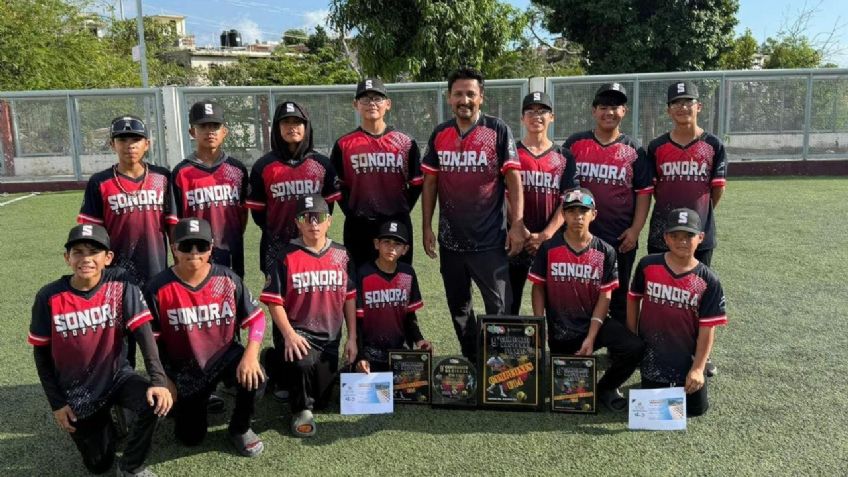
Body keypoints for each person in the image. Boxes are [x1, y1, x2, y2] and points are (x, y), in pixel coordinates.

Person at [29, 224, 172, 477]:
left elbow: (144, 334)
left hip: (118, 377)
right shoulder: (49, 297)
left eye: (94, 252)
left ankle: (131, 466)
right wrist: (58, 403)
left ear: (108, 258)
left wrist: (158, 380)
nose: (86, 258)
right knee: (99, 465)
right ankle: (107, 419)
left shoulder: (120, 284)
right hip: (78, 390)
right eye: (78, 252)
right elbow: (41, 353)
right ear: (67, 258)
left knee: (155, 402)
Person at [421, 66, 527, 361]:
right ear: (448, 97)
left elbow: (513, 179)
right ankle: (472, 359)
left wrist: (517, 224)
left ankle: (501, 364)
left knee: (499, 307)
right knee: (459, 308)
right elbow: (430, 182)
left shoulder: (497, 129)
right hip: (451, 241)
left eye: (470, 93)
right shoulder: (440, 133)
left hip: (489, 240)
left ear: (481, 97)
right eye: (458, 94)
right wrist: (426, 226)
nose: (463, 99)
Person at [144, 218, 266, 457]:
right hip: (184, 369)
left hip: (224, 358)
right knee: (190, 438)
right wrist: (163, 377)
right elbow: (150, 342)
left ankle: (239, 428)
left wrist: (251, 355)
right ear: (173, 247)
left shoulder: (227, 279)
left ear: (211, 247)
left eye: (201, 246)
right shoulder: (157, 288)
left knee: (256, 378)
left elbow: (257, 319)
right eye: (186, 246)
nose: (194, 253)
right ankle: (192, 403)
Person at [528, 188, 643, 412]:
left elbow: (605, 296)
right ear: (564, 214)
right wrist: (539, 323)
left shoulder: (605, 251)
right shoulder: (550, 248)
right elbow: (538, 287)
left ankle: (603, 388)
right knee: (563, 381)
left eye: (583, 211)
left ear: (594, 215)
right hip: (561, 331)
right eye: (571, 211)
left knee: (634, 347)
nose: (578, 217)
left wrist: (591, 337)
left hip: (594, 325)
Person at [78, 115, 177, 368]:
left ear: (148, 144)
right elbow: (90, 233)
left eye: (136, 139)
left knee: (163, 332)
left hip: (156, 268)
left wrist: (178, 270)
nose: (129, 145)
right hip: (115, 273)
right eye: (122, 139)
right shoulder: (100, 182)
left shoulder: (162, 177)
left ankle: (171, 383)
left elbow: (173, 228)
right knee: (121, 336)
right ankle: (124, 389)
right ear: (112, 145)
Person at [259, 194, 357, 437]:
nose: (313, 223)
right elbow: (274, 302)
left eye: (319, 217)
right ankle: (300, 410)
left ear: (329, 222)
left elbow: (349, 297)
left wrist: (352, 337)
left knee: (323, 399)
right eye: (307, 217)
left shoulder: (342, 255)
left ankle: (272, 361)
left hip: (330, 338)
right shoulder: (285, 255)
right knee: (302, 368)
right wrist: (289, 335)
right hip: (299, 334)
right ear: (298, 222)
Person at [647, 81, 727, 376]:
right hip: (661, 233)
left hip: (699, 235)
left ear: (698, 106)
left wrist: (698, 219)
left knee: (696, 298)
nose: (682, 107)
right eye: (676, 103)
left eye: (688, 101)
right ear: (668, 110)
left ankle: (699, 357)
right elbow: (653, 190)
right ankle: (659, 351)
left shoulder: (713, 145)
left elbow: (716, 191)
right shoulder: (656, 147)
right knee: (661, 298)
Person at [564, 83, 653, 324]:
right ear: (593, 111)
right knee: (578, 291)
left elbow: (644, 193)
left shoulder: (633, 149)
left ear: (624, 111)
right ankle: (576, 346)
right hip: (580, 234)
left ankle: (618, 348)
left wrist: (635, 230)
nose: (609, 112)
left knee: (618, 293)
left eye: (615, 107)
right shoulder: (575, 143)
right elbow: (562, 187)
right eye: (603, 107)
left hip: (619, 237)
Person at [627, 208, 727, 417]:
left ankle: (692, 374)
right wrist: (632, 337)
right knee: (656, 409)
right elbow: (633, 298)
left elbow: (708, 327)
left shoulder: (708, 280)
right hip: (652, 357)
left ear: (700, 237)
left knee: (695, 410)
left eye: (689, 235)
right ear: (665, 238)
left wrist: (699, 368)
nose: (682, 241)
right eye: (675, 236)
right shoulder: (648, 265)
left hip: (686, 359)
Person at [331, 78, 423, 268]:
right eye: (364, 99)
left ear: (388, 104)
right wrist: (351, 212)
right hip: (359, 226)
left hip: (396, 223)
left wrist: (402, 210)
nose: (371, 103)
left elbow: (416, 184)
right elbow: (337, 185)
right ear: (355, 104)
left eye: (377, 98)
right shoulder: (344, 144)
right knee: (359, 282)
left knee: (398, 279)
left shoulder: (405, 143)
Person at [246, 101, 340, 275]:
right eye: (286, 122)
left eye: (297, 122)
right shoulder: (263, 166)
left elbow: (328, 207)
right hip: (276, 244)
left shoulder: (322, 164)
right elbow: (259, 214)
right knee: (277, 298)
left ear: (306, 126)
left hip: (313, 243)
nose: (292, 127)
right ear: (277, 127)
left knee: (311, 294)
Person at [509, 91, 577, 314]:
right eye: (530, 111)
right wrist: (519, 227)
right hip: (516, 238)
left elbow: (568, 199)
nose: (536, 116)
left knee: (555, 301)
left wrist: (546, 234)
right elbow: (502, 194)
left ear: (552, 117)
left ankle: (555, 347)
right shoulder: (512, 153)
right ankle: (507, 347)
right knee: (510, 301)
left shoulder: (564, 156)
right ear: (522, 118)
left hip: (551, 240)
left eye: (542, 111)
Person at [171, 101, 249, 278]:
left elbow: (243, 214)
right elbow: (175, 223)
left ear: (224, 131)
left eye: (215, 125)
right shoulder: (181, 173)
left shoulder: (237, 170)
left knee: (232, 298)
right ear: (192, 132)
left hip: (230, 249)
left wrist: (232, 237)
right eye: (203, 126)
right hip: (194, 252)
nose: (209, 131)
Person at [354, 220, 431, 373]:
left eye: (397, 244)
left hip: (400, 351)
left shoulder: (407, 274)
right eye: (386, 242)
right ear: (377, 244)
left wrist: (419, 339)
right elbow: (357, 321)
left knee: (409, 391)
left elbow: (409, 314)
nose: (391, 247)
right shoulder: (364, 274)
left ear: (405, 249)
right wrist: (360, 355)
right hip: (371, 353)